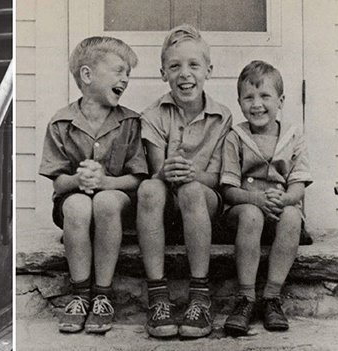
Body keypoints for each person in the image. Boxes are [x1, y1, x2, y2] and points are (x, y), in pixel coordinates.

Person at [39, 36, 148, 334]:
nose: (124, 79)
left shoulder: (130, 122)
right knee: (76, 203)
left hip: (117, 204)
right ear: (87, 75)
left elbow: (138, 179)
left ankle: (103, 294)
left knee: (106, 200)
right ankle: (80, 294)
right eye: (118, 71)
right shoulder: (61, 123)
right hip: (74, 205)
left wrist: (105, 182)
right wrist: (77, 179)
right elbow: (59, 182)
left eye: (128, 73)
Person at [137, 24, 232, 338]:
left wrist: (193, 175)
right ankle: (158, 296)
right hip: (165, 205)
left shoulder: (222, 116)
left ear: (209, 70)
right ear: (163, 72)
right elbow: (154, 173)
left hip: (204, 203)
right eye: (174, 66)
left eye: (194, 65)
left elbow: (218, 178)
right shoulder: (153, 115)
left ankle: (200, 296)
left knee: (192, 190)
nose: (185, 74)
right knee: (149, 188)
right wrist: (166, 171)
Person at [221, 60, 312, 336]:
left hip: (280, 207)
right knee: (250, 213)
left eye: (265, 96)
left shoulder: (293, 137)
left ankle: (272, 296)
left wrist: (283, 200)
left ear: (281, 100)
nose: (257, 104)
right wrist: (257, 200)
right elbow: (228, 190)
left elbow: (298, 188)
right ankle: (246, 297)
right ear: (239, 102)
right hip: (244, 211)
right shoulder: (235, 137)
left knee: (293, 215)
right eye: (248, 97)